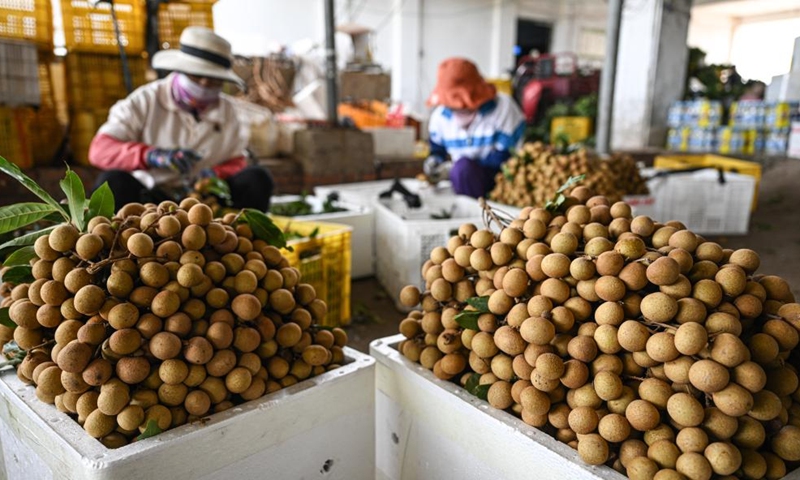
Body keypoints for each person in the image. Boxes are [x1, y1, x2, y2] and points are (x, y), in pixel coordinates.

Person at [89, 27, 274, 212]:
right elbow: (100, 150)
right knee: (113, 182)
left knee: (257, 179)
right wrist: (151, 156)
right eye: (197, 75)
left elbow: (238, 160)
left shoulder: (229, 112)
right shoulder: (144, 101)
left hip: (204, 199)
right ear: (181, 69)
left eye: (213, 79)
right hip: (151, 197)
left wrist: (214, 174)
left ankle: (245, 236)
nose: (204, 84)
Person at [424, 58, 526, 198]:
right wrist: (434, 161)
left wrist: (457, 168)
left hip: (499, 181)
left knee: (463, 169)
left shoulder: (503, 108)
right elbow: (437, 149)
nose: (460, 107)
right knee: (462, 170)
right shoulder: (440, 118)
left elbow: (506, 157)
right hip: (462, 181)